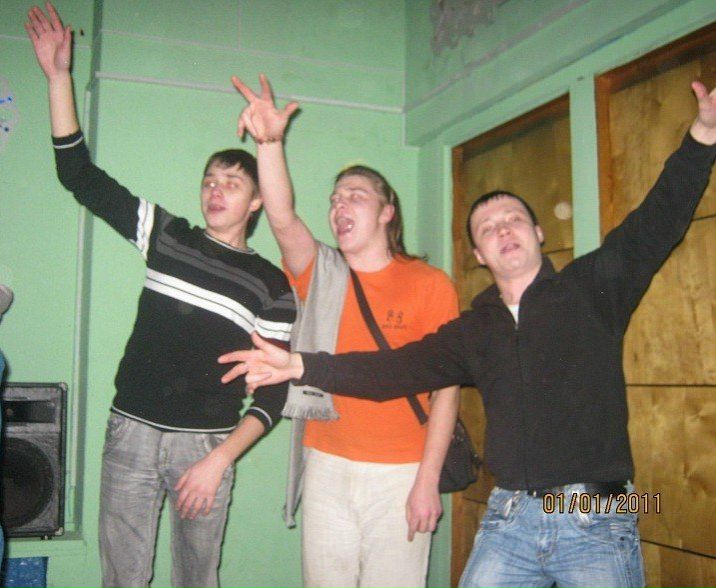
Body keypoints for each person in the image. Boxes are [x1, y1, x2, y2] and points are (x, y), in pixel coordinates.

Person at [221, 81, 716, 587]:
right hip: (511, 514)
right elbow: (395, 370)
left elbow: (656, 223)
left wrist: (702, 134)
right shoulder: (475, 330)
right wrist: (300, 364)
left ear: (538, 233)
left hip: (597, 511)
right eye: (487, 228)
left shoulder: (591, 290)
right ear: (479, 254)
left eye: (514, 220)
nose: (502, 230)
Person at [25, 4, 295, 588]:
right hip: (132, 434)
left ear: (255, 202)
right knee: (123, 581)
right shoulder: (168, 236)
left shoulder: (271, 284)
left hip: (207, 446)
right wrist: (58, 78)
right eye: (209, 180)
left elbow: (275, 394)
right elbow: (80, 177)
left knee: (197, 580)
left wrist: (220, 459)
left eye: (232, 183)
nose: (215, 190)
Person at [227, 74, 460, 588]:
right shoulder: (322, 272)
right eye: (334, 199)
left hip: (401, 470)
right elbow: (283, 218)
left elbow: (447, 389)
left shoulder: (430, 283)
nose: (339, 207)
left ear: (387, 212)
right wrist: (270, 144)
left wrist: (427, 480)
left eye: (355, 196)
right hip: (326, 464)